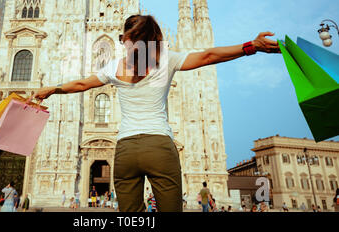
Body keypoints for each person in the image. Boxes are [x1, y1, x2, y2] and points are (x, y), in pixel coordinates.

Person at [29, 15, 281, 212]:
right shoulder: (166, 60)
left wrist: (52, 89)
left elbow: (81, 85)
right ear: (155, 39)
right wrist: (251, 46)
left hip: (126, 150)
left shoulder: (115, 68)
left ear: (126, 40)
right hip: (160, 147)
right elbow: (208, 55)